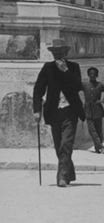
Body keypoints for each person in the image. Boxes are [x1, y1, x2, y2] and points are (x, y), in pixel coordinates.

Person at [33, 39, 86, 188]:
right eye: (55, 53)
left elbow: (77, 86)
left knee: (66, 144)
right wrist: (37, 110)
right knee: (59, 146)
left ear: (66, 53)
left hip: (70, 112)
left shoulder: (74, 67)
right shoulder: (47, 68)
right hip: (54, 112)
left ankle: (61, 177)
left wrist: (66, 71)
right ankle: (69, 172)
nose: (57, 55)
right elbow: (38, 90)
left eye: (60, 52)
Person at [82, 67, 104, 154]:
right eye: (91, 74)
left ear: (97, 75)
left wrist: (102, 100)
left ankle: (98, 148)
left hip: (98, 110)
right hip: (88, 110)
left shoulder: (100, 85)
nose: (92, 75)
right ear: (88, 75)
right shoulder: (84, 85)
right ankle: (101, 146)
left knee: (98, 130)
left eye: (94, 74)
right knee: (91, 130)